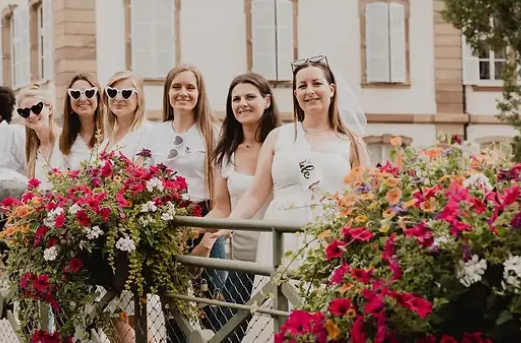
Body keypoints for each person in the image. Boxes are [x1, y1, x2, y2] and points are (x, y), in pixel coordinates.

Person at [209, 55, 370, 343]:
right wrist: (228, 223)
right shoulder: (280, 138)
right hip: (280, 239)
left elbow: (365, 199)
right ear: (295, 94)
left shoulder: (351, 142)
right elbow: (256, 193)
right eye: (302, 85)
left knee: (325, 320)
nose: (310, 91)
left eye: (316, 83)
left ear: (331, 89)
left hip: (327, 240)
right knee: (276, 319)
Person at [135, 65, 225, 342]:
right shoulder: (153, 133)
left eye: (190, 87)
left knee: (211, 307)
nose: (183, 93)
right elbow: (140, 179)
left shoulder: (213, 132)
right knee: (173, 310)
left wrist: (206, 242)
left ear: (200, 93)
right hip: (165, 225)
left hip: (205, 221)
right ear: (168, 92)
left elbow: (223, 197)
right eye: (176, 87)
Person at [199, 73, 281, 342]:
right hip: (240, 259)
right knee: (228, 331)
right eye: (236, 99)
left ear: (267, 101)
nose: (242, 103)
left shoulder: (284, 145)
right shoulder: (225, 153)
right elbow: (221, 207)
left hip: (277, 256)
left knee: (275, 329)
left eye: (249, 97)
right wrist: (199, 231)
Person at [100, 71, 157, 342]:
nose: (118, 98)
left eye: (126, 93)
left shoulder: (146, 132)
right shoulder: (107, 136)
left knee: (132, 315)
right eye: (112, 92)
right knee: (110, 313)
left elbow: (141, 179)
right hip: (105, 232)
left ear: (139, 98)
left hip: (127, 236)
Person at [17, 83, 63, 190]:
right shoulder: (32, 151)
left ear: (50, 109)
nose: (31, 115)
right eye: (25, 112)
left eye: (36, 108)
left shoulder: (66, 140)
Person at [60, 73, 104, 171]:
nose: (83, 99)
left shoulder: (113, 134)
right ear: (69, 103)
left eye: (89, 93)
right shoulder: (63, 140)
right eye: (76, 94)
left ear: (98, 98)